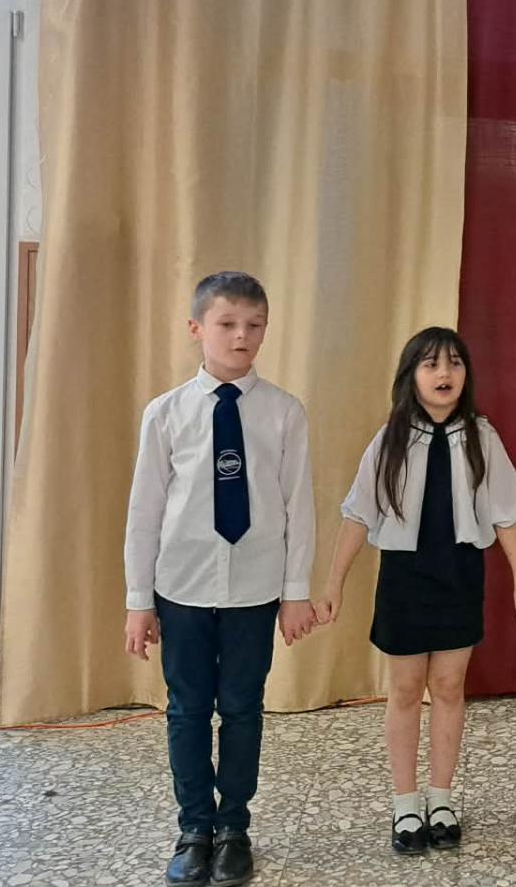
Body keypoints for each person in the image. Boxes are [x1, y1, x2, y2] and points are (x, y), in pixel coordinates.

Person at [314, 328, 516, 855]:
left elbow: (505, 513)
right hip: (405, 575)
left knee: (448, 685)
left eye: (455, 363)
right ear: (410, 376)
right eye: (431, 364)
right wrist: (332, 585)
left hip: (460, 572)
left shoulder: (482, 437)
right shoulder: (390, 439)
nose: (445, 374)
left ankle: (441, 798)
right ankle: (405, 802)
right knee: (404, 689)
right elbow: (357, 514)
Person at [123, 271, 318, 887]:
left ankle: (234, 827)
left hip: (255, 589)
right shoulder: (166, 414)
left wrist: (295, 593)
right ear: (196, 329)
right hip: (181, 587)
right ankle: (194, 828)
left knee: (241, 708)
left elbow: (300, 508)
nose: (242, 337)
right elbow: (145, 511)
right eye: (227, 324)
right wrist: (138, 600)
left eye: (254, 325)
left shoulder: (284, 412)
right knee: (186, 710)